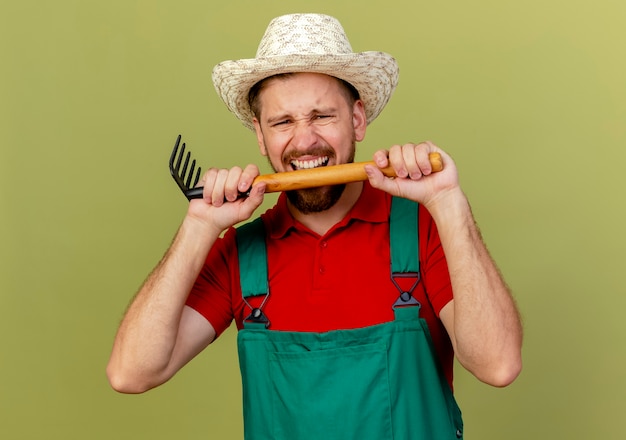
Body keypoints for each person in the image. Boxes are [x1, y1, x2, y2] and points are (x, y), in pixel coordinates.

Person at [107, 13, 522, 439]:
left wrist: (448, 201)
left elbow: (498, 364)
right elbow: (130, 373)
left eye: (322, 116)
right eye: (282, 122)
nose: (304, 141)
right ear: (260, 136)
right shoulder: (243, 251)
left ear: (357, 119)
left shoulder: (423, 229)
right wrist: (199, 225)